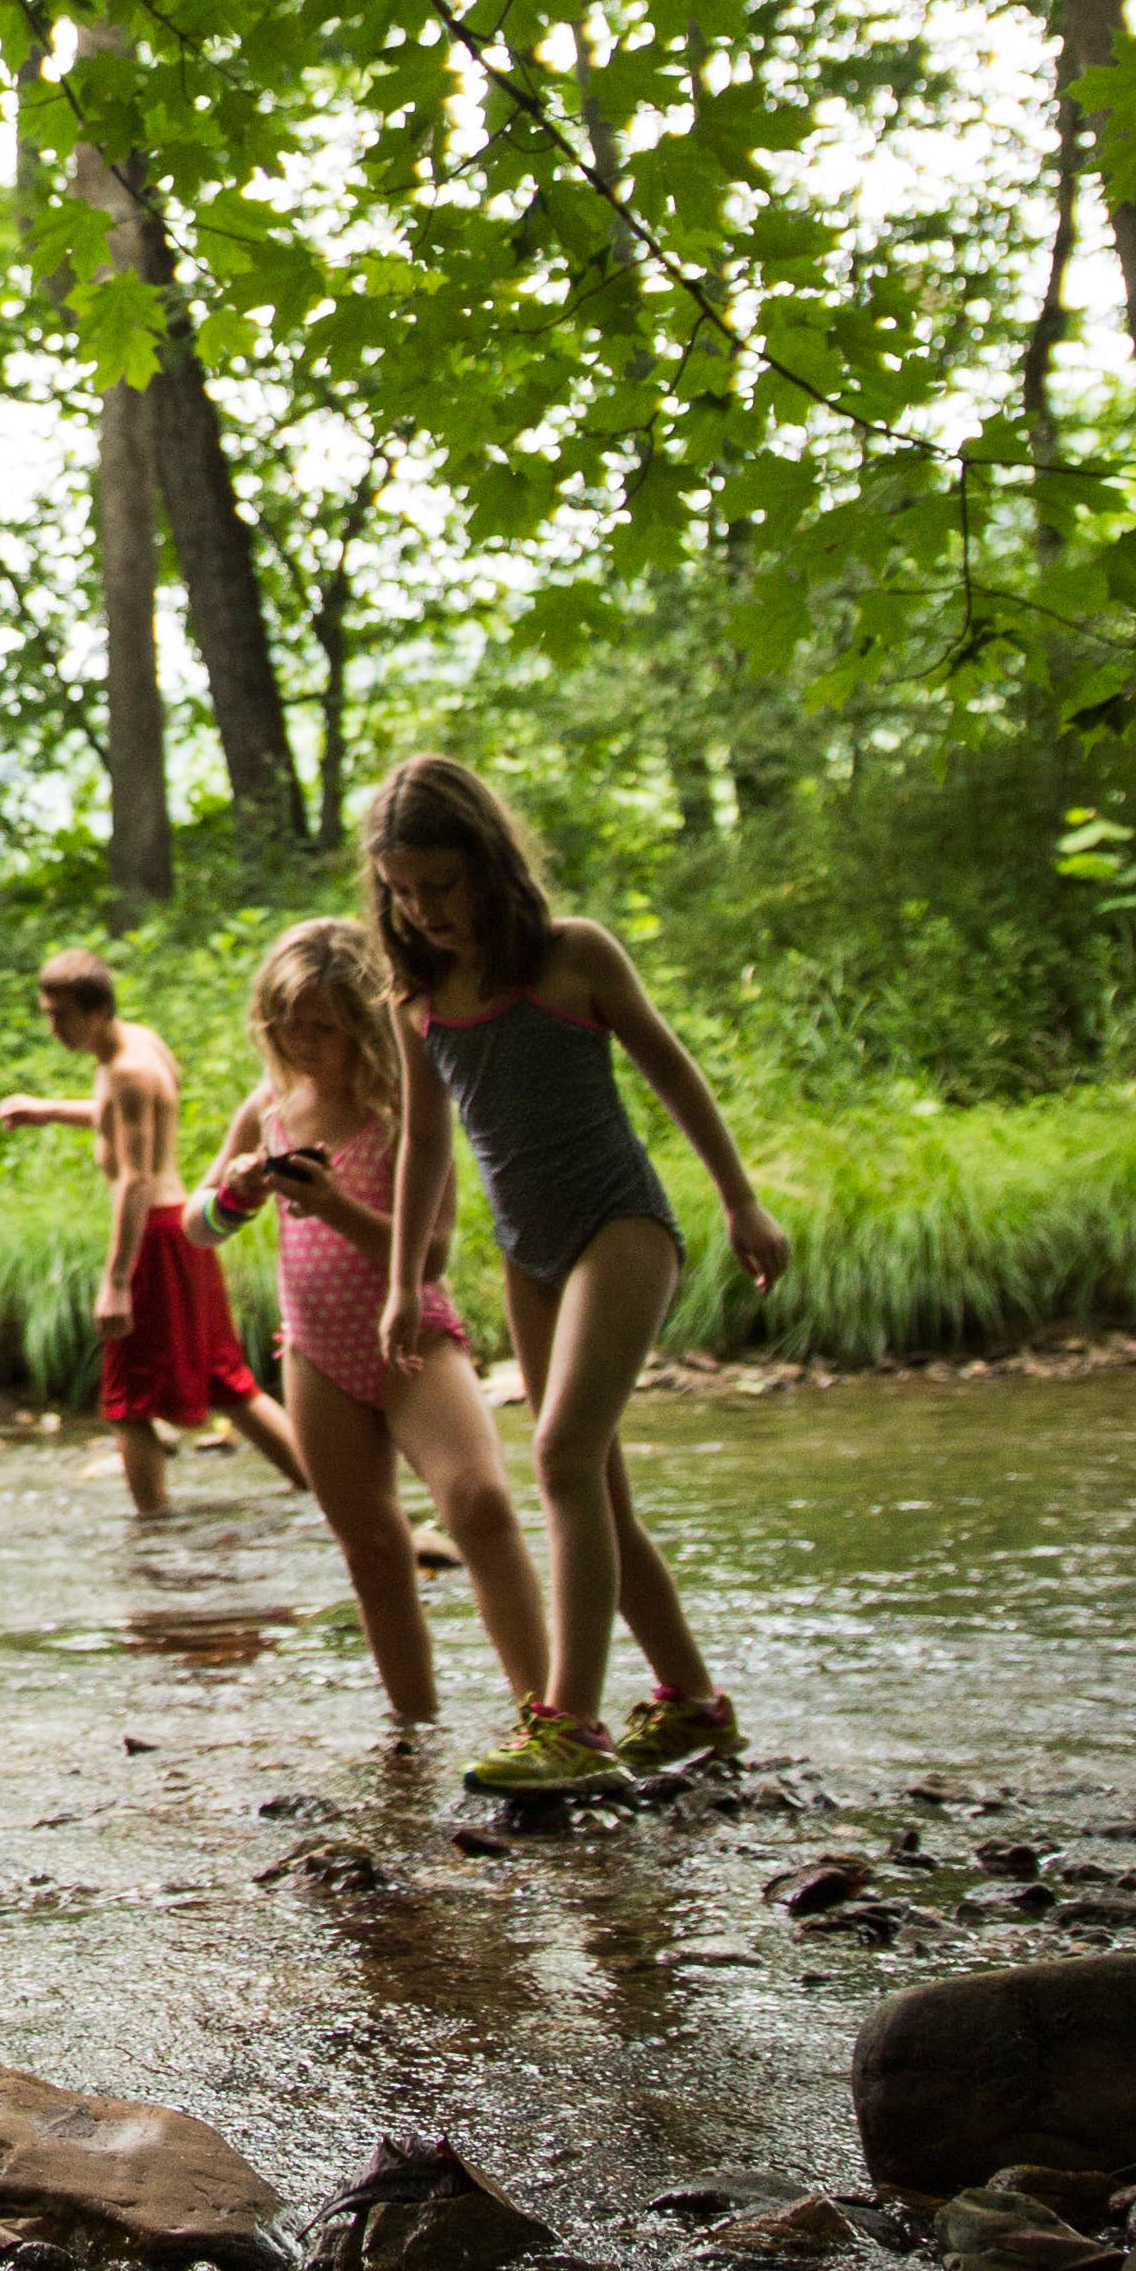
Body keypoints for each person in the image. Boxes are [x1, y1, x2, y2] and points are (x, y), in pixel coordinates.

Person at [361, 754, 791, 1797]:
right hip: (530, 1252)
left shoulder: (572, 958)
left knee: (557, 1457)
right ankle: (692, 1702)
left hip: (619, 1228)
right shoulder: (417, 1000)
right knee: (595, 1484)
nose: (426, 911)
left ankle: (571, 1724)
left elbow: (671, 1069)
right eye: (404, 892)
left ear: (491, 866)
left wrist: (738, 1198)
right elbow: (425, 1145)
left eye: (445, 887)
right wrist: (402, 1280)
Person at [195, 917, 546, 1726]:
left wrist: (336, 1208)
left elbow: (429, 1259)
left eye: (323, 1024)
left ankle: (548, 1714)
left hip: (412, 1339)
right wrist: (238, 1195)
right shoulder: (270, 1110)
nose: (304, 1039)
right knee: (373, 1551)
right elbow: (197, 1228)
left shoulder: (403, 1109)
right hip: (316, 1353)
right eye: (289, 1024)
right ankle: (414, 1731)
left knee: (481, 1505)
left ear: (363, 1023)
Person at [0, 948, 309, 1514]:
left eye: (60, 1014)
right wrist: (48, 1110)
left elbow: (135, 1179)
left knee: (127, 1402)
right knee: (226, 1380)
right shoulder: (137, 1044)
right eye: (47, 1012)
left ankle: (153, 1530)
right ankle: (323, 1491)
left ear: (96, 1011)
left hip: (156, 1236)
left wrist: (116, 1280)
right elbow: (123, 1114)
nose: (52, 1027)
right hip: (179, 1233)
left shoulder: (128, 1070)